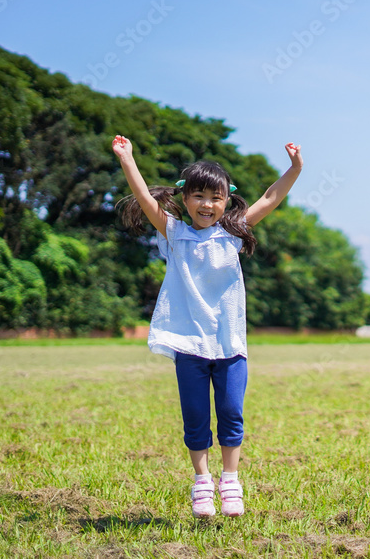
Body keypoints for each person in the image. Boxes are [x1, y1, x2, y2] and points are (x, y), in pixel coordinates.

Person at [111, 134, 302, 518]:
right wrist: (127, 158)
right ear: (185, 199)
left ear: (226, 201)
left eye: (215, 198)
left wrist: (295, 168)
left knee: (231, 412)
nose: (207, 204)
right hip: (189, 344)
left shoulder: (232, 233)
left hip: (230, 344)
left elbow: (270, 197)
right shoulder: (174, 233)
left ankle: (230, 479)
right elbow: (145, 199)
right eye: (198, 196)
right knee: (196, 417)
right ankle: (202, 482)